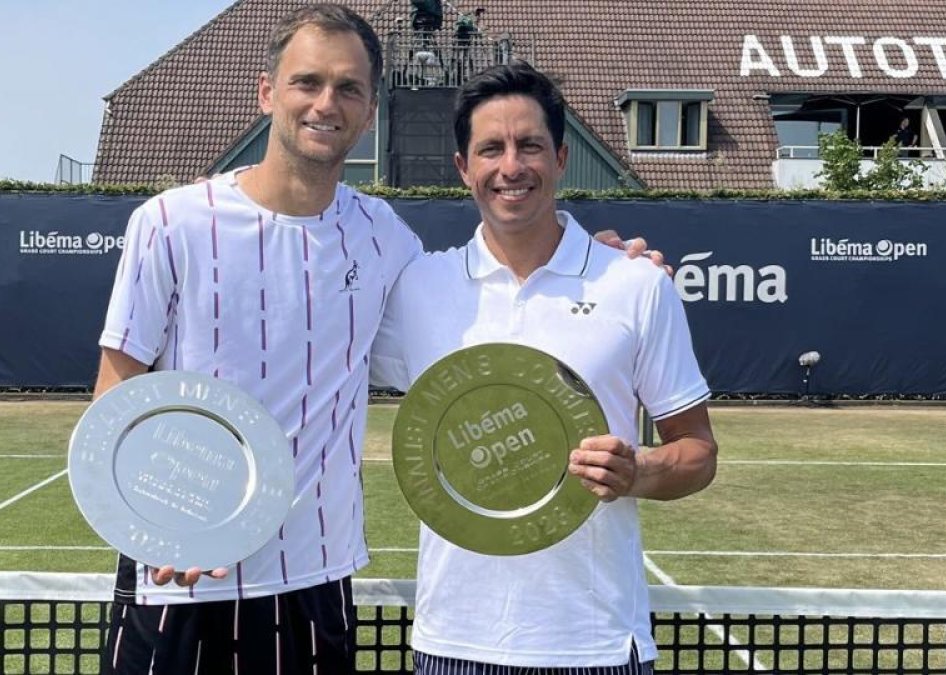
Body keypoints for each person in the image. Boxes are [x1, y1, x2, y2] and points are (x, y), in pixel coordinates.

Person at [93, 6, 662, 674]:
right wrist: (159, 522)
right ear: (267, 92)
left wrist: (590, 259)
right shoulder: (168, 222)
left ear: (367, 111)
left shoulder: (385, 237)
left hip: (313, 587)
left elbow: (488, 298)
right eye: (307, 82)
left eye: (349, 88)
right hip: (178, 579)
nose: (326, 103)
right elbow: (117, 391)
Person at [371, 62, 718, 674]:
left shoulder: (636, 285)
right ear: (463, 169)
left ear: (559, 158)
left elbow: (697, 452)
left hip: (597, 645)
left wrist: (637, 470)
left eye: (529, 145)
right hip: (452, 644)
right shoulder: (416, 288)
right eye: (491, 149)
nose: (512, 167)